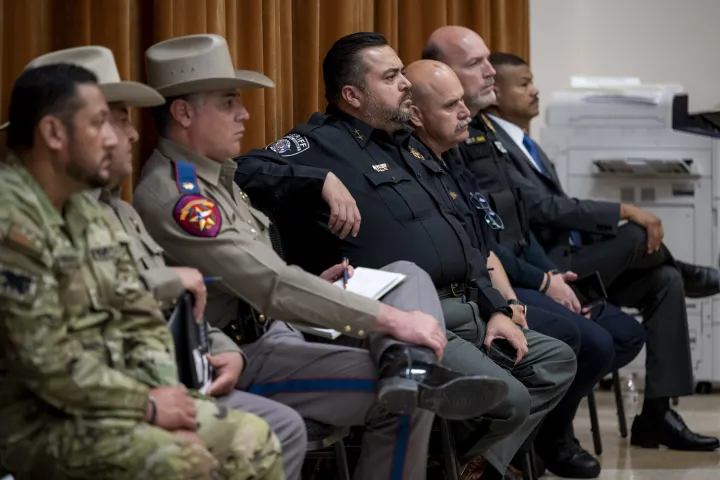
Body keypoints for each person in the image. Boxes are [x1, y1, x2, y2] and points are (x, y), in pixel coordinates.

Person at [132, 33, 506, 480]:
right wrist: (390, 321)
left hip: (276, 333)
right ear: (184, 112)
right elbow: (269, 283)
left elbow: (261, 272)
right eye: (229, 102)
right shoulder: (180, 196)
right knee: (411, 394)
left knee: (406, 277)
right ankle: (411, 369)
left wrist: (324, 285)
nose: (245, 113)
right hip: (238, 353)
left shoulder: (217, 178)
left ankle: (409, 367)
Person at [233, 32, 577, 480]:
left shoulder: (408, 145)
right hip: (399, 318)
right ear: (352, 95)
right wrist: (317, 179)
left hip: (467, 307)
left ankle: (457, 464)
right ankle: (449, 461)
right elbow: (245, 169)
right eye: (392, 76)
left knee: (556, 361)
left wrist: (498, 308)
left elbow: (463, 232)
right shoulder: (321, 144)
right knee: (508, 400)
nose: (405, 85)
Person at [20, 45, 309, 480]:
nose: (130, 135)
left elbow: (141, 317)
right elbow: (45, 361)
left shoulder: (95, 211)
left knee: (254, 437)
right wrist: (151, 406)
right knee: (222, 447)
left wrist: (177, 394)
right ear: (54, 135)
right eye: (106, 121)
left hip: (126, 389)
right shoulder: (19, 222)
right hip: (47, 415)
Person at [420, 27, 648, 476]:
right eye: (476, 64)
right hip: (483, 285)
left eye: (489, 62)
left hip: (513, 272)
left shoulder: (486, 132)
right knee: (586, 340)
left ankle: (537, 435)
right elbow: (488, 242)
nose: (488, 72)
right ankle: (532, 443)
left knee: (621, 332)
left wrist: (549, 278)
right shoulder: (442, 140)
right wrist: (536, 284)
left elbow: (514, 223)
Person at [482, 51, 720, 453]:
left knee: (664, 280)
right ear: (495, 92)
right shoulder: (486, 142)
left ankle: (657, 415)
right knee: (632, 235)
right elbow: (541, 209)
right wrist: (624, 209)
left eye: (532, 80)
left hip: (573, 258)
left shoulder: (526, 144)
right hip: (551, 268)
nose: (534, 89)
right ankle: (678, 263)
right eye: (523, 83)